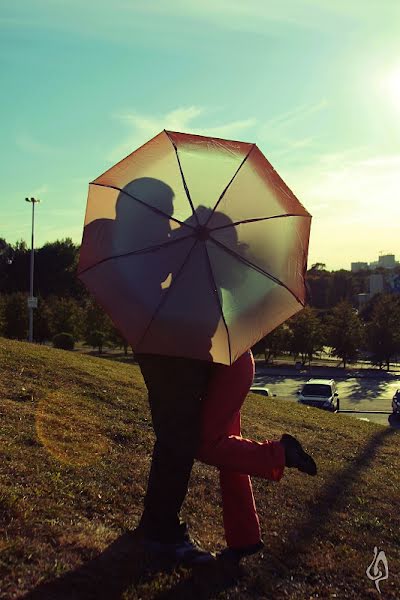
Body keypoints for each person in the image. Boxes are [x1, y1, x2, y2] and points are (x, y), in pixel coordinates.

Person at [197, 349, 317, 563]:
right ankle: (245, 539)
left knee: (208, 445)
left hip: (228, 363)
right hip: (229, 362)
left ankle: (282, 453)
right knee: (229, 453)